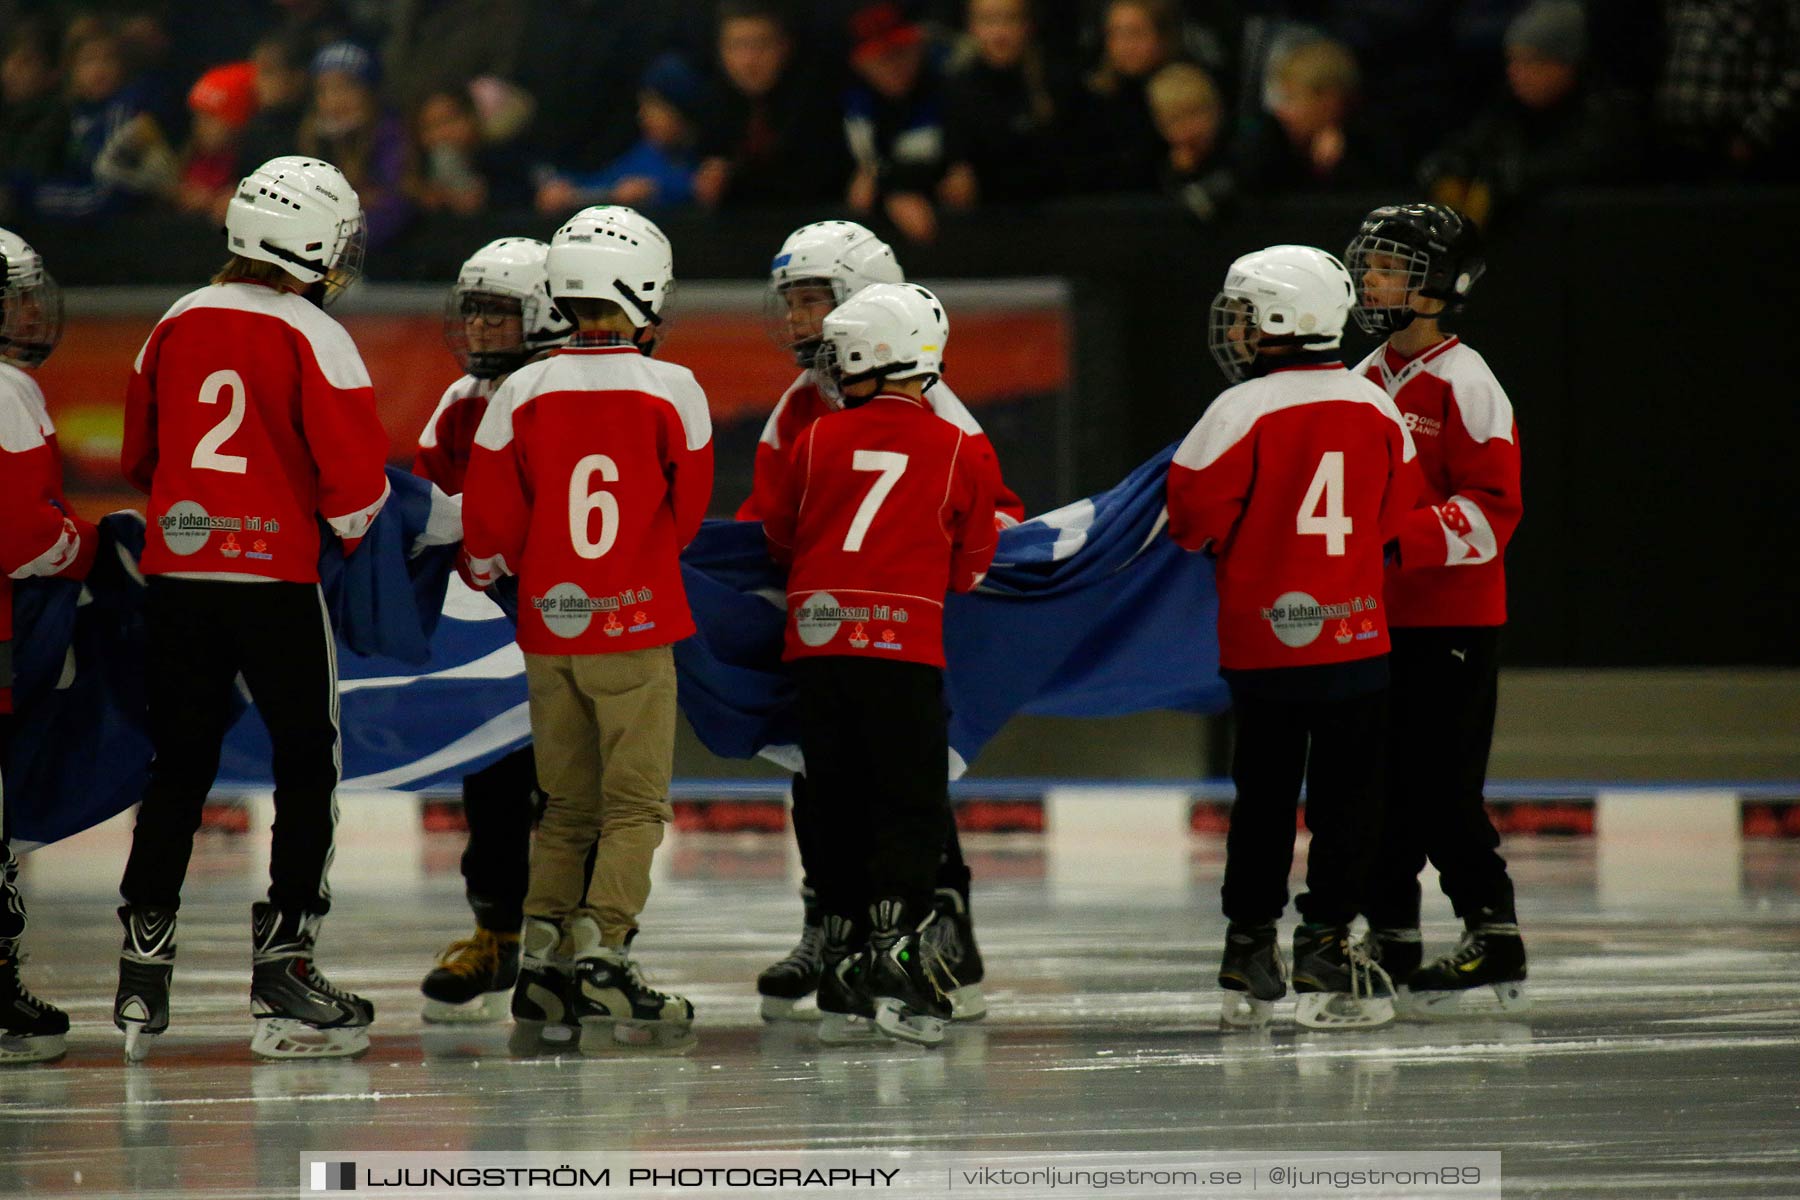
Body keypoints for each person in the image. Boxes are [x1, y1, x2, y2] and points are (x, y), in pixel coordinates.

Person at [113, 156, 390, 1062]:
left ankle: (142, 970)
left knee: (178, 766)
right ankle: (285, 962)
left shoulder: (174, 321)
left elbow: (141, 456)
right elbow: (355, 495)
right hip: (275, 580)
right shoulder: (313, 332)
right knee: (307, 765)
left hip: (181, 577)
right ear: (310, 239)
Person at [740, 219, 1023, 1026]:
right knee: (846, 783)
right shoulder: (806, 405)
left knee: (906, 786)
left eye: (813, 301)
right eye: (790, 302)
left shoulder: (933, 415)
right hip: (881, 632)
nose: (797, 321)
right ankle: (843, 933)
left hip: (870, 632)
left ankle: (937, 927)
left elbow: (996, 513)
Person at [463, 206, 712, 1053]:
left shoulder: (521, 391)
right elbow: (687, 515)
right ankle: (605, 953)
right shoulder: (673, 389)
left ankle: (541, 963)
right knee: (634, 806)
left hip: (548, 630)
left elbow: (490, 528)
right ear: (639, 286)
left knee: (564, 808)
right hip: (635, 627)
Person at [1166, 244, 1416, 1031]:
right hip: (1357, 639)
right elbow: (1392, 517)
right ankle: (1329, 941)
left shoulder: (1237, 411)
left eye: (1245, 313)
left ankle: (1248, 945)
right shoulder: (1377, 405)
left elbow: (1191, 521)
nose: (1236, 329)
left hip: (1264, 646)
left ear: (1280, 319)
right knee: (1350, 801)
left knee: (1265, 799)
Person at [1343, 203, 1528, 1017]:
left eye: (1390, 267)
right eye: (1370, 263)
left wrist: (1397, 540)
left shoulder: (1467, 381)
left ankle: (1495, 935)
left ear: (1440, 287)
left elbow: (1494, 512)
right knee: (1378, 789)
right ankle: (1393, 937)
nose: (1370, 280)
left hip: (1451, 623)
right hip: (1380, 622)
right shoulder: (1360, 378)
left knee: (1443, 790)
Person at [414, 237, 573, 1023]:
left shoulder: (573, 390)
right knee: (493, 782)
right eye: (472, 310)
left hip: (573, 620)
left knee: (581, 788)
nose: (477, 328)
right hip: (488, 629)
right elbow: (430, 511)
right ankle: (498, 933)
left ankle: (575, 947)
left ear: (544, 313)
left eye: (496, 312)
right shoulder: (459, 401)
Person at [0, 229, 93, 1065]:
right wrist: (90, 548)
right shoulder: (6, 390)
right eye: (12, 296)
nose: (29, 314)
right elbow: (26, 534)